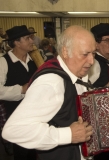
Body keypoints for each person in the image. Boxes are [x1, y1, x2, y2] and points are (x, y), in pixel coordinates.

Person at [2, 25, 94, 160]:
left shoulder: (79, 74)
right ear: (65, 52)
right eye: (85, 54)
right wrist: (68, 135)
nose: (91, 61)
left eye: (94, 54)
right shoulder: (52, 82)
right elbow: (13, 130)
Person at [0, 25, 38, 160]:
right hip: (16, 116)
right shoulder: (3, 62)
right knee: (21, 151)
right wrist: (21, 89)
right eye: (27, 38)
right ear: (16, 42)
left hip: (35, 115)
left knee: (34, 150)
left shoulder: (34, 59)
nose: (32, 41)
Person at [88, 23, 109, 160]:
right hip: (101, 127)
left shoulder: (108, 60)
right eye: (107, 40)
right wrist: (107, 88)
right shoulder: (95, 64)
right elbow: (85, 95)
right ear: (96, 44)